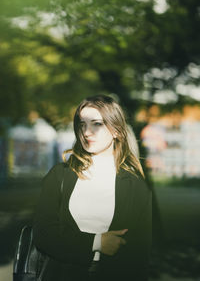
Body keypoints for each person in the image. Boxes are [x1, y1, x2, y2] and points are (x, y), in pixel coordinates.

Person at [33, 94, 152, 281]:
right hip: (61, 275)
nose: (87, 132)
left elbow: (140, 255)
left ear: (117, 131)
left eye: (96, 124)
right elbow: (43, 234)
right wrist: (97, 242)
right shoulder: (60, 175)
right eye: (82, 124)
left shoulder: (134, 186)